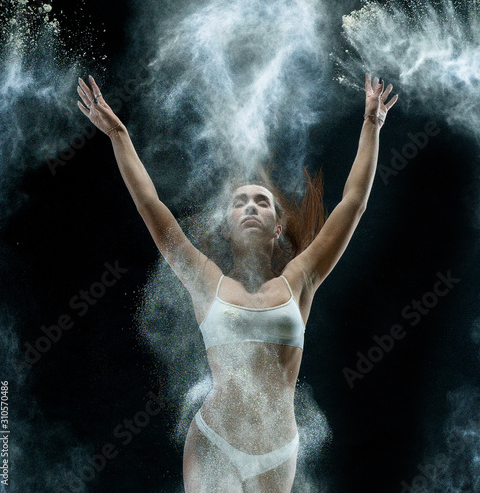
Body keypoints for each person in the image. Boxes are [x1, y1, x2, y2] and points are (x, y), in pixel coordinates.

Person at [77, 73, 398, 493]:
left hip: (277, 451)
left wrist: (371, 125)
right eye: (239, 202)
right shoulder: (205, 281)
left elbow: (353, 204)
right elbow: (149, 203)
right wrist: (119, 134)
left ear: (278, 228)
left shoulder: (300, 280)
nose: (250, 207)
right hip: (215, 441)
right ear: (227, 227)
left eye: (261, 202)